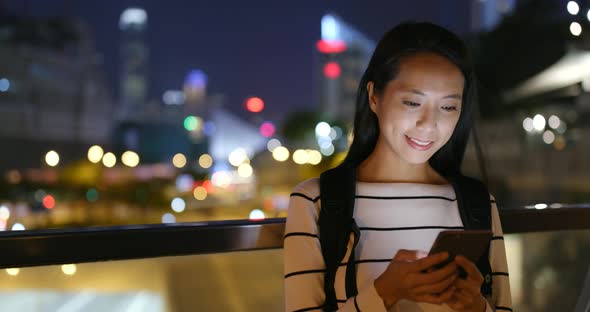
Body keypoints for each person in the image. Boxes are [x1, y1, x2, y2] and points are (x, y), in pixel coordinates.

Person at [283, 22, 512, 312]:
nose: (429, 124)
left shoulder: (477, 204)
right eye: (413, 102)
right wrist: (384, 293)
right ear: (374, 96)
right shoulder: (319, 201)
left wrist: (477, 307)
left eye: (448, 107)